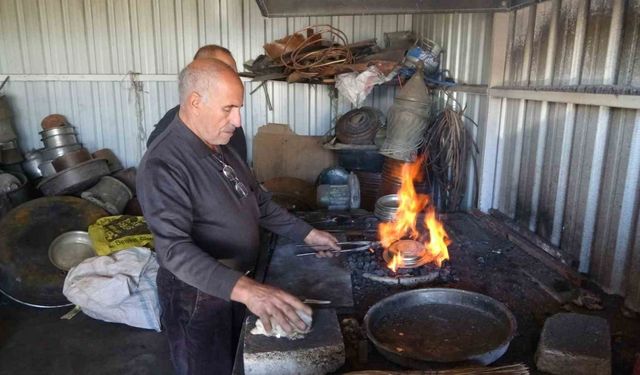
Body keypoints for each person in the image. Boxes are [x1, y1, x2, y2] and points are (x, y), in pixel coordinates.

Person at [137, 58, 339, 375]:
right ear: (195, 102)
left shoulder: (222, 145)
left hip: (237, 283)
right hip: (197, 296)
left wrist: (307, 234)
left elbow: (257, 201)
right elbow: (174, 250)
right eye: (228, 108)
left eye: (239, 108)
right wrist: (250, 291)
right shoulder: (163, 163)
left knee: (237, 363)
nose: (238, 120)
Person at [147, 45, 247, 162]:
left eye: (234, 73)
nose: (237, 121)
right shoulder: (164, 150)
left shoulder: (233, 125)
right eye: (221, 69)